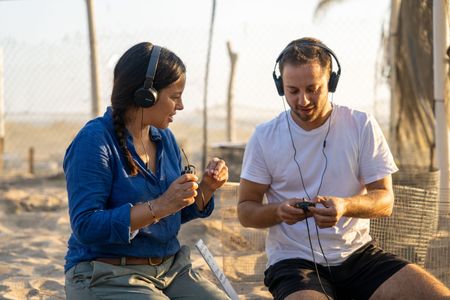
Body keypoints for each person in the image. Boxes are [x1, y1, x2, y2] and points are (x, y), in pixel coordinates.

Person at [238, 37, 450, 300]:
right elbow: (246, 210)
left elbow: (385, 200)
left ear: (332, 82)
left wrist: (345, 206)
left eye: (312, 89)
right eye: (292, 91)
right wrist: (279, 211)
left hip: (359, 256)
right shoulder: (264, 136)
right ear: (280, 86)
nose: (302, 100)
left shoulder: (361, 126)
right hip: (293, 262)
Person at [63, 42, 230, 299]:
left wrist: (205, 188)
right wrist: (160, 205)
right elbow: (86, 225)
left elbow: (171, 215)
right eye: (175, 96)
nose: (181, 105)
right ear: (146, 94)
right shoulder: (94, 141)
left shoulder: (165, 139)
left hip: (171, 270)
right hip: (107, 273)